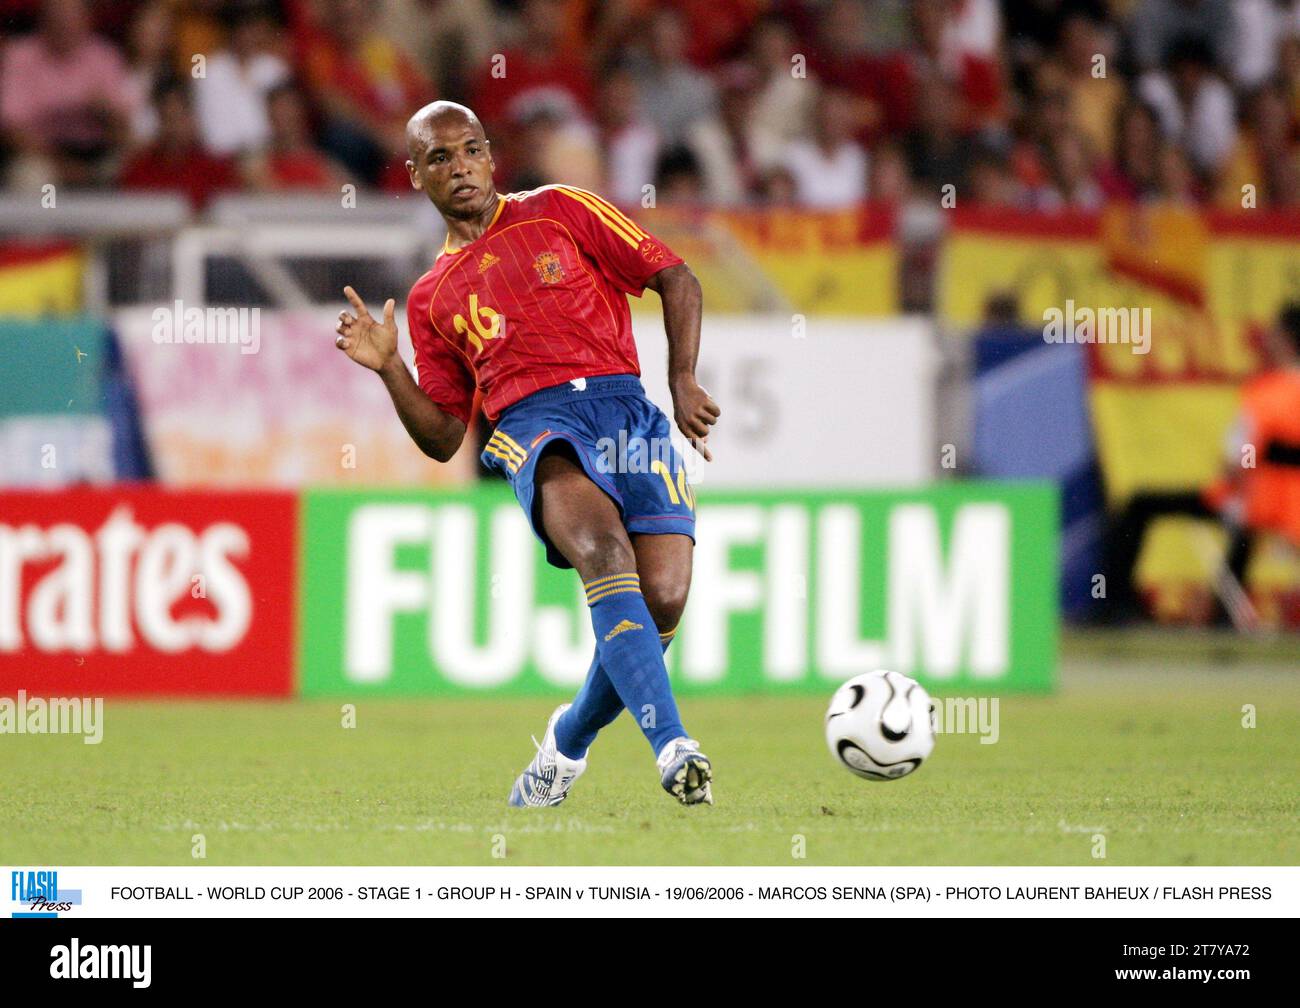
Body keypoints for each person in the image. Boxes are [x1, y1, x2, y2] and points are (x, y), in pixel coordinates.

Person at [333, 101, 721, 807]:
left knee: (661, 598)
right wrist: (392, 369)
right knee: (605, 556)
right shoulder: (430, 298)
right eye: (441, 159)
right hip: (537, 424)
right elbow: (446, 433)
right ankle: (674, 746)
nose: (461, 169)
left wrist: (682, 377)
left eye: (472, 150)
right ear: (416, 174)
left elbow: (676, 277)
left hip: (629, 409)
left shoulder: (561, 209)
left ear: (491, 155)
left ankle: (564, 745)